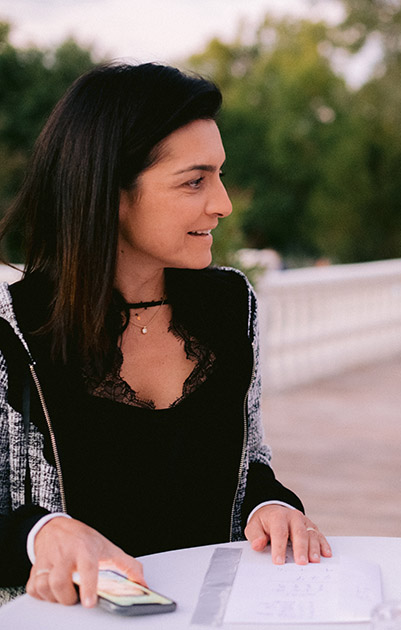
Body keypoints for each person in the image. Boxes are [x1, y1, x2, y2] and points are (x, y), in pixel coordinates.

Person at [0, 63, 330, 609]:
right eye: (194, 180)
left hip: (219, 614)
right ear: (109, 191)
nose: (222, 203)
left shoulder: (229, 305)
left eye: (220, 175)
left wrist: (270, 506)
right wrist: (41, 534)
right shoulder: (13, 328)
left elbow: (247, 462)